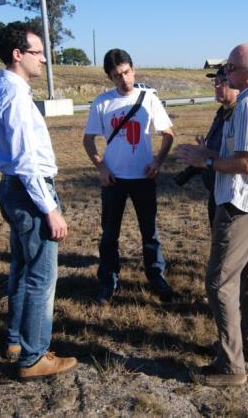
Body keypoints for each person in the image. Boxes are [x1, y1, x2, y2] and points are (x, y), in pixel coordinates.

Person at [177, 43, 248, 386]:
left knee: (219, 282)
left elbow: (246, 163)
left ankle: (231, 366)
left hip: (241, 206)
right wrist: (207, 151)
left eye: (231, 68)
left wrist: (203, 161)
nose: (225, 74)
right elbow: (242, 153)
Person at [0, 21, 77, 380]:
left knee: (21, 269)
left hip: (13, 187)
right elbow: (26, 161)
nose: (44, 61)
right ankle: (34, 357)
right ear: (18, 54)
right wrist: (50, 209)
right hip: (28, 189)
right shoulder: (17, 95)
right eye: (38, 53)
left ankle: (16, 341)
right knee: (41, 276)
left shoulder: (1, 87)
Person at [83, 48, 175, 305]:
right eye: (116, 75)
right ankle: (108, 281)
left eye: (126, 72)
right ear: (109, 78)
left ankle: (156, 276)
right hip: (113, 180)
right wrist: (101, 167)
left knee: (150, 232)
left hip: (144, 179)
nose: (123, 79)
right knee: (109, 234)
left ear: (133, 69)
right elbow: (88, 140)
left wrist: (158, 162)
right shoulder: (102, 102)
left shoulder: (149, 98)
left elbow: (168, 133)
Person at [174, 65, 239, 227]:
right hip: (216, 191)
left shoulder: (240, 115)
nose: (216, 85)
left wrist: (205, 156)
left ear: (235, 86)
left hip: (232, 195)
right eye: (215, 81)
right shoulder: (221, 112)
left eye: (222, 81)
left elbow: (238, 159)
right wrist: (201, 152)